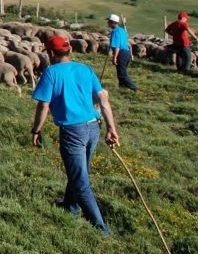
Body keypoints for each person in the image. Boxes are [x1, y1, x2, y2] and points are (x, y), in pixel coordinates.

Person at [31, 34, 119, 237]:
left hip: (73, 131)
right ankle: (70, 206)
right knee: (80, 170)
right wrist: (111, 128)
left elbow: (44, 105)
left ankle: (100, 229)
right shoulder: (85, 69)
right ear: (69, 50)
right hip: (93, 128)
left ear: (51, 53)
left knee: (80, 180)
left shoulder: (51, 73)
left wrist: (36, 130)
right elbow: (103, 100)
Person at [107, 14, 138, 91]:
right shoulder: (122, 30)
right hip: (126, 52)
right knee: (121, 72)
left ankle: (134, 88)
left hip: (121, 54)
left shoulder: (115, 32)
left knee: (122, 74)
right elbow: (127, 43)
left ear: (113, 22)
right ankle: (122, 89)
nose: (107, 23)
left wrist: (114, 58)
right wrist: (131, 54)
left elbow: (117, 46)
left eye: (109, 21)